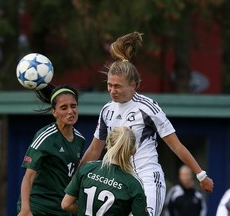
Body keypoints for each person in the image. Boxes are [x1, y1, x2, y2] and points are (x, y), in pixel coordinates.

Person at [79, 31, 214, 216]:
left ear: (133, 85)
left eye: (117, 86)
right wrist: (77, 174)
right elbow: (95, 150)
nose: (112, 90)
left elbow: (176, 146)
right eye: (109, 85)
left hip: (146, 177)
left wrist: (201, 174)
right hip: (117, 180)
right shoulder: (106, 110)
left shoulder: (148, 108)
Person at [17, 84, 86, 216]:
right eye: (63, 108)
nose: (70, 111)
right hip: (38, 207)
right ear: (54, 112)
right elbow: (28, 177)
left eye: (73, 106)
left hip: (62, 209)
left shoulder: (80, 139)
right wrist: (25, 209)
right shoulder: (45, 137)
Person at [61, 126, 149, 216]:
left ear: (107, 145)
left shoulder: (87, 168)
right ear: (133, 151)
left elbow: (66, 204)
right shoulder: (134, 184)